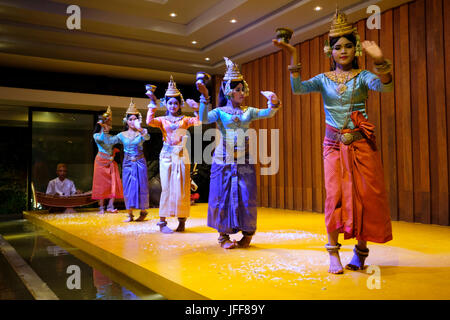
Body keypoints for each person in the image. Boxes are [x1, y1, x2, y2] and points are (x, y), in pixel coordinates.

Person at [273, 8, 393, 274]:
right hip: (333, 145)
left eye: (349, 46)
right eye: (338, 47)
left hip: (362, 144)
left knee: (365, 196)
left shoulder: (363, 77)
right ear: (330, 52)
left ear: (356, 50)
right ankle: (333, 253)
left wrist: (381, 61)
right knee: (334, 197)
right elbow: (297, 88)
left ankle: (360, 253)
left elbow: (385, 86)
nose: (343, 51)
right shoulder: (323, 80)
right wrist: (292, 54)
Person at [197, 57, 281, 249]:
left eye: (243, 89)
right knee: (222, 195)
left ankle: (248, 234)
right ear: (228, 91)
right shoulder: (219, 112)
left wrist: (273, 103)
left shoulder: (248, 111)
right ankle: (223, 235)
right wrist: (204, 97)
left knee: (246, 195)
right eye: (237, 89)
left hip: (244, 161)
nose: (241, 93)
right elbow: (203, 118)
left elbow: (268, 113)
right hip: (222, 160)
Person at [146, 76, 201, 233]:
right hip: (166, 156)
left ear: (180, 104)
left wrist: (196, 108)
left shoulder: (185, 119)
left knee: (182, 188)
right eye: (170, 102)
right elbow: (150, 121)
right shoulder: (162, 120)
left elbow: (199, 121)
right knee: (167, 187)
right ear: (166, 104)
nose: (173, 105)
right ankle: (162, 221)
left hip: (182, 155)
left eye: (175, 103)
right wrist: (152, 103)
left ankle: (181, 221)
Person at [114, 99, 150, 222]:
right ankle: (129, 214)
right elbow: (109, 142)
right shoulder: (121, 135)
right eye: (130, 119)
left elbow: (147, 137)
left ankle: (143, 212)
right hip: (128, 163)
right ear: (126, 121)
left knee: (141, 186)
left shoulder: (141, 133)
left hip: (139, 162)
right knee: (128, 186)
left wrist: (140, 129)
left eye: (135, 119)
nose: (132, 121)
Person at [92, 106, 124, 214]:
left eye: (110, 122)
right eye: (108, 122)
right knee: (101, 185)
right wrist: (103, 129)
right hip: (101, 162)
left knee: (113, 183)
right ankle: (101, 207)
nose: (109, 124)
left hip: (111, 161)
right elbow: (101, 139)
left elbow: (120, 138)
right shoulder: (96, 135)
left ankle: (110, 206)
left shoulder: (112, 137)